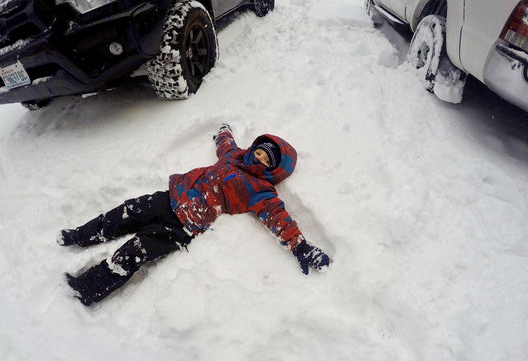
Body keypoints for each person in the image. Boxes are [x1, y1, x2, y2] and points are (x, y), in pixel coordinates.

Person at [57, 124, 330, 305]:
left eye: (266, 160)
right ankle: (80, 235)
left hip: (184, 226)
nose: (259, 159)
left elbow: (279, 219)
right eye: (259, 151)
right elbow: (225, 144)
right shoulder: (233, 157)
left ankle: (86, 288)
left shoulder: (261, 191)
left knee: (134, 252)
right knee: (123, 214)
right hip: (171, 197)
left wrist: (301, 247)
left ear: (273, 169)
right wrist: (223, 132)